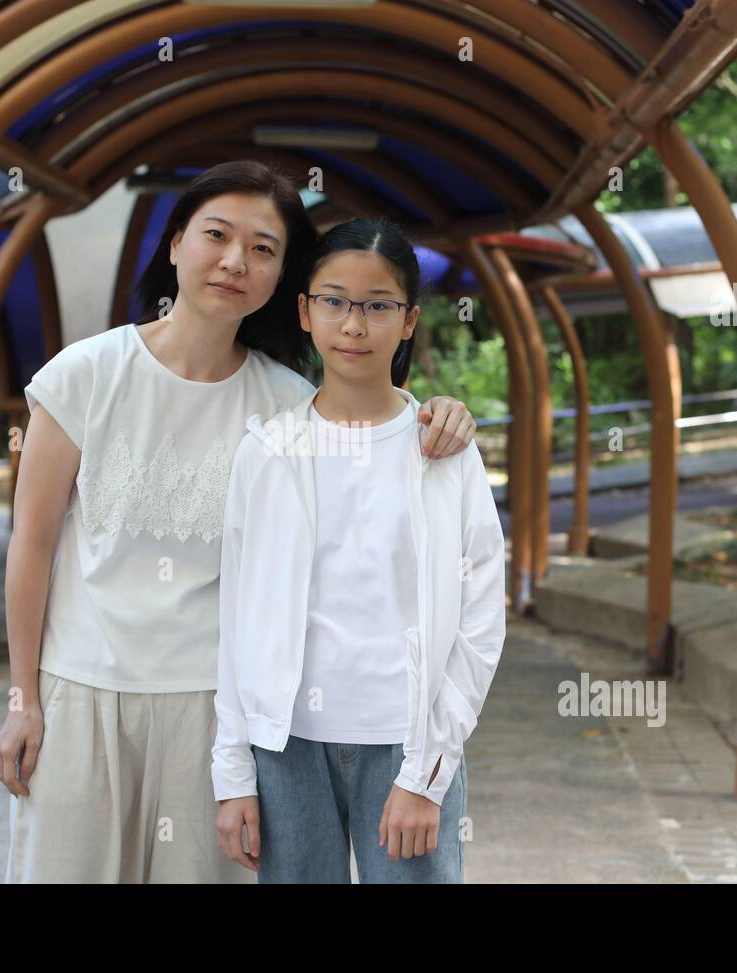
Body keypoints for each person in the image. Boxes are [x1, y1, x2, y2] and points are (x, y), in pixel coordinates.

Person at [0, 161, 479, 884]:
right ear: (175, 244)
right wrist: (22, 699)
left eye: (263, 249)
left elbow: (374, 438)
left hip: (213, 716)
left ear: (284, 278)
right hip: (80, 696)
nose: (234, 261)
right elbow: (30, 545)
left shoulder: (285, 403)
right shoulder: (83, 375)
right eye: (216, 235)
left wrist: (444, 415)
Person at [211, 218, 506, 883]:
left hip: (405, 742)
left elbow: (482, 619)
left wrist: (427, 773)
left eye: (377, 306)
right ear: (305, 310)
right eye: (334, 300)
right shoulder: (266, 454)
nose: (353, 324)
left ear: (407, 321)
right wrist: (232, 770)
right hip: (285, 748)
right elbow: (236, 619)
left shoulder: (443, 451)